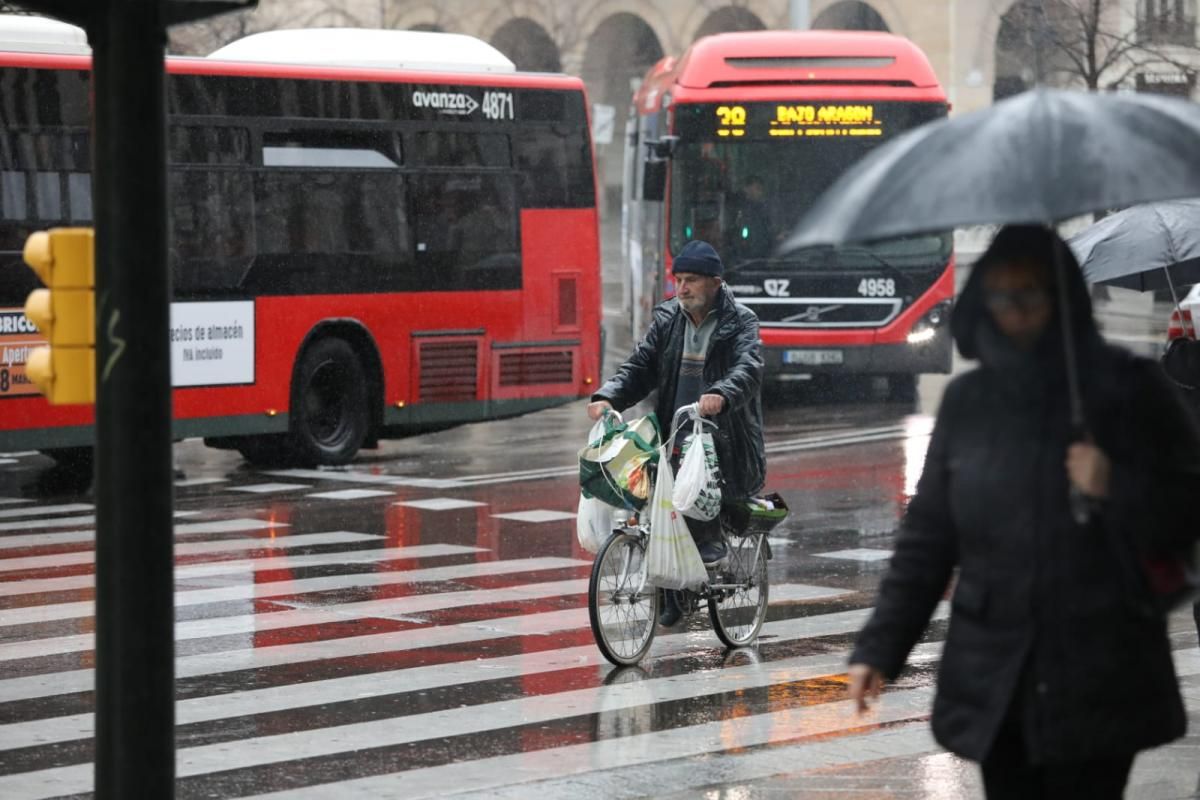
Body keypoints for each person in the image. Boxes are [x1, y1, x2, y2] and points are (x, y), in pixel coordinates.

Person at [846, 225, 1200, 799]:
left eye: (1030, 294)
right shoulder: (969, 403)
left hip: (1102, 665)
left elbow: (1186, 508)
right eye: (1001, 296)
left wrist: (1113, 482)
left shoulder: (1129, 388)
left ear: (1061, 299)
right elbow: (928, 539)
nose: (1014, 312)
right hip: (997, 670)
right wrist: (881, 649)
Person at [587, 240, 766, 628]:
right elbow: (639, 367)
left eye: (691, 281)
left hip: (725, 435)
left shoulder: (741, 322)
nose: (682, 289)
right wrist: (608, 396)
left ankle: (710, 545)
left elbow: (749, 367)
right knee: (654, 493)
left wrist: (721, 393)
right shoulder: (668, 318)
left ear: (715, 283)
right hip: (675, 428)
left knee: (694, 482)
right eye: (678, 280)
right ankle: (672, 587)